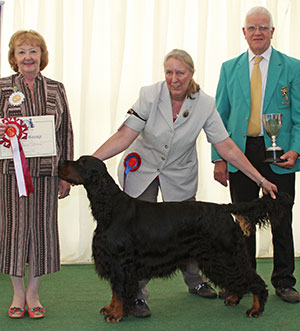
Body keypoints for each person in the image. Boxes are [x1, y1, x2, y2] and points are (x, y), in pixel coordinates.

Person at [93, 48, 277, 317]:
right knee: (140, 241)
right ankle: (137, 298)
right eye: (169, 72)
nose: (174, 78)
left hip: (179, 174)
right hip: (143, 168)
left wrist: (260, 179)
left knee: (189, 232)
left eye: (180, 72)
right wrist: (92, 164)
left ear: (191, 74)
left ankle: (197, 281)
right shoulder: (149, 95)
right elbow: (124, 136)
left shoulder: (204, 103)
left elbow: (226, 146)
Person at [212, 6, 300, 303]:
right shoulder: (229, 68)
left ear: (272, 32)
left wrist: (296, 149)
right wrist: (219, 157)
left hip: (280, 152)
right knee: (243, 221)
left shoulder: (292, 67)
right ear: (244, 32)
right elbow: (219, 117)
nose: (258, 32)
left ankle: (284, 280)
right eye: (253, 27)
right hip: (241, 153)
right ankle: (243, 279)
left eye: (264, 27)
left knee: (281, 219)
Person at [0, 30, 74, 318]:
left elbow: (65, 131)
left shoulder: (56, 88)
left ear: (42, 56)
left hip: (46, 174)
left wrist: (65, 174)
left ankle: (33, 293)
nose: (28, 57)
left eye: (34, 51)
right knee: (14, 232)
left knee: (42, 232)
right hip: (9, 174)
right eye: (22, 52)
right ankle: (17, 294)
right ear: (14, 57)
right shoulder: (3, 87)